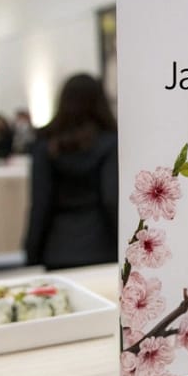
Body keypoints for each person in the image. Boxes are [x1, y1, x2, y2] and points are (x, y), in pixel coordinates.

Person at [24, 73, 118, 270]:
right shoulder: (110, 142)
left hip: (58, 248)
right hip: (103, 247)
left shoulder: (45, 144)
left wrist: (31, 253)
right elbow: (111, 199)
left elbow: (40, 205)